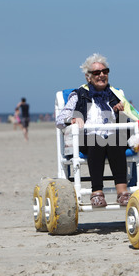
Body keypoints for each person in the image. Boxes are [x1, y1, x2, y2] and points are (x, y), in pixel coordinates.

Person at [56, 53, 130, 207]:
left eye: (105, 71)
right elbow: (60, 119)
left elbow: (126, 121)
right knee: (97, 142)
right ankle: (97, 192)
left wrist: (120, 113)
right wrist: (73, 119)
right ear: (88, 77)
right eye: (96, 73)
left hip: (112, 139)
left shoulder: (115, 95)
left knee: (115, 142)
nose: (102, 75)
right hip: (87, 139)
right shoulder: (79, 95)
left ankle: (122, 192)